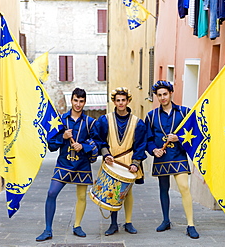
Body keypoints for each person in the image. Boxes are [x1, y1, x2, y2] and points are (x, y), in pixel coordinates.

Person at [36, 88, 98, 241]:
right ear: (71, 100)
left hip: (82, 165)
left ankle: (77, 226)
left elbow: (98, 142)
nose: (78, 104)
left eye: (81, 101)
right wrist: (63, 137)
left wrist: (84, 146)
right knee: (51, 193)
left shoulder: (90, 122)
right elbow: (51, 145)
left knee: (82, 196)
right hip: (64, 163)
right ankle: (48, 230)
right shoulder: (61, 121)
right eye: (76, 100)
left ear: (85, 102)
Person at [145, 80, 199, 239]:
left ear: (170, 94)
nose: (162, 98)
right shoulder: (151, 115)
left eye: (165, 94)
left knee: (184, 187)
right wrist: (153, 150)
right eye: (159, 95)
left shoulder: (184, 112)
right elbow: (148, 139)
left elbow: (194, 132)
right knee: (163, 189)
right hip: (161, 157)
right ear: (156, 96)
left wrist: (179, 138)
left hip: (178, 155)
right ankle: (166, 220)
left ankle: (191, 224)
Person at [94, 87, 146, 236]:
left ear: (128, 101)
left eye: (123, 100)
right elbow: (99, 138)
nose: (121, 103)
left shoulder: (138, 123)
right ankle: (113, 224)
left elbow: (140, 144)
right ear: (114, 102)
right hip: (112, 160)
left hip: (128, 162)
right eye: (118, 100)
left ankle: (128, 222)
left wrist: (136, 163)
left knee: (127, 192)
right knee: (112, 192)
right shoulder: (105, 120)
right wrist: (105, 154)